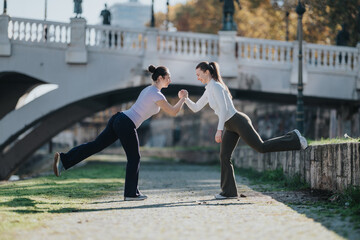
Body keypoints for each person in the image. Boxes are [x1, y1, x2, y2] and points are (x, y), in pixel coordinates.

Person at [53, 65, 186, 201]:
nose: (170, 80)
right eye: (168, 77)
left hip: (119, 118)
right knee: (134, 157)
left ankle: (64, 159)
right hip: (126, 123)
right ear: (160, 78)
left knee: (96, 145)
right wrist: (183, 98)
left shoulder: (149, 90)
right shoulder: (156, 94)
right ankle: (130, 193)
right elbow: (173, 111)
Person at [178, 61, 308, 200]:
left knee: (261, 147)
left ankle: (294, 139)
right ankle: (229, 192)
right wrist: (185, 99)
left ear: (207, 72)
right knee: (224, 156)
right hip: (230, 125)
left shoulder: (216, 86)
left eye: (199, 74)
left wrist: (219, 130)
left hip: (237, 121)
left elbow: (223, 109)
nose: (197, 77)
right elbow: (196, 107)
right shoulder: (209, 89)